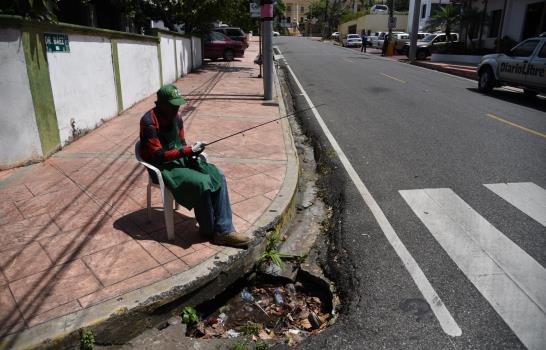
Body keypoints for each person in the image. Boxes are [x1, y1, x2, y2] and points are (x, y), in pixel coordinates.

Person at [139, 84, 250, 248]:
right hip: (162, 169)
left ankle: (223, 230)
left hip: (180, 160)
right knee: (202, 182)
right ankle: (209, 229)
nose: (176, 108)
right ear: (161, 104)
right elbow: (158, 156)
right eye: (172, 105)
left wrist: (194, 150)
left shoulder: (177, 118)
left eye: (178, 104)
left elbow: (181, 143)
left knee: (217, 175)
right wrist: (186, 151)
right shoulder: (149, 122)